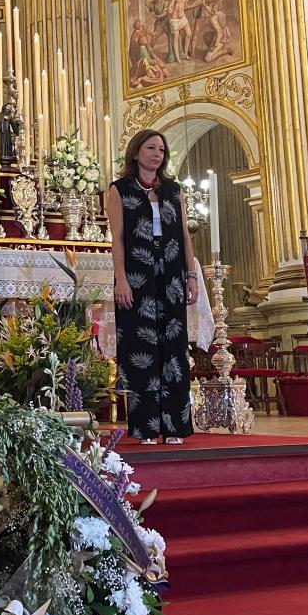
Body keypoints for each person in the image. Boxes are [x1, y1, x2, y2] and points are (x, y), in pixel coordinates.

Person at [105, 129, 199, 444]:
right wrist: (120, 278)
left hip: (171, 272)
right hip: (136, 273)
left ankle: (175, 426)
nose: (157, 154)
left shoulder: (174, 190)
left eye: (161, 149)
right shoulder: (120, 190)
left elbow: (185, 235)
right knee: (140, 347)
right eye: (151, 148)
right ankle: (145, 427)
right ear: (136, 152)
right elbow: (116, 238)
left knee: (173, 347)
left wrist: (192, 276)